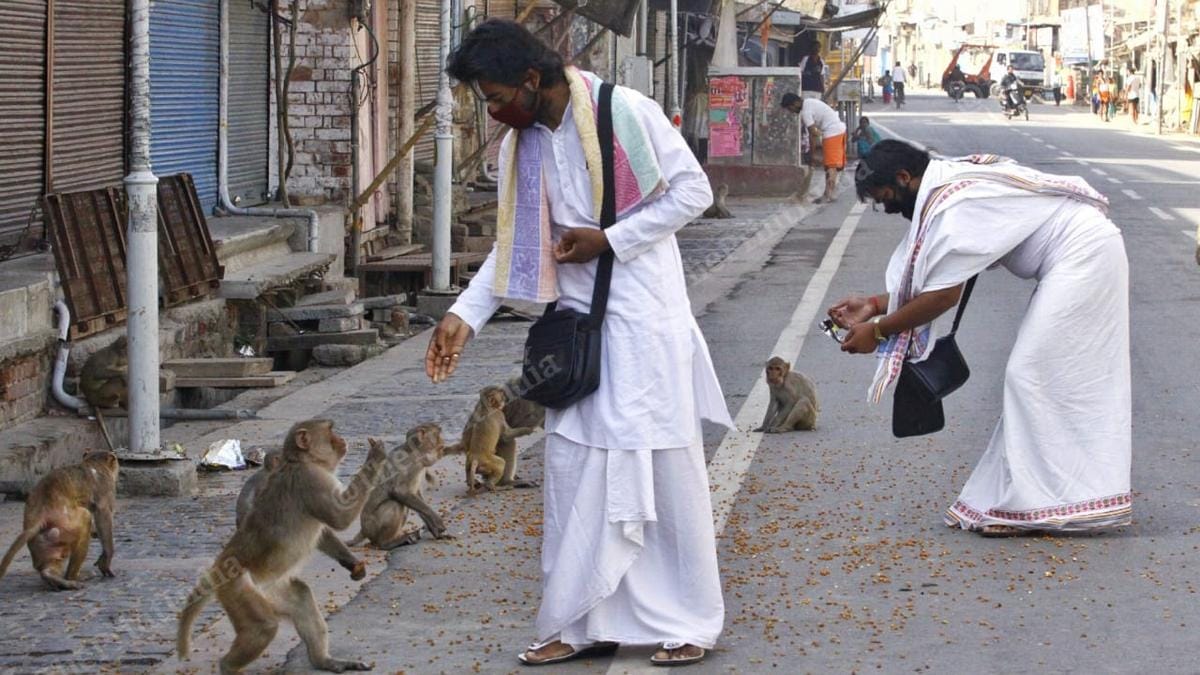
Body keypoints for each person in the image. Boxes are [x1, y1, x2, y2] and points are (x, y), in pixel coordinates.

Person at [431, 19, 733, 668]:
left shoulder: (623, 111)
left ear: (532, 81)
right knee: (570, 474)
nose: (491, 112)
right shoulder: (525, 144)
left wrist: (610, 239)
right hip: (574, 337)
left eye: (494, 97)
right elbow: (517, 243)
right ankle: (577, 619)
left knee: (667, 474)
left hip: (646, 325)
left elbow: (694, 191)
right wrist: (465, 313)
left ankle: (690, 619)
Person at [829, 140, 1132, 537]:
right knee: (1043, 380)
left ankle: (1046, 501)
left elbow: (942, 295)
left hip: (1084, 257)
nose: (885, 208)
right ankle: (1051, 496)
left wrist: (880, 330)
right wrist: (874, 304)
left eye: (884, 198)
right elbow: (946, 276)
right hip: (1075, 259)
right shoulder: (946, 188)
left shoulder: (953, 206)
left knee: (1028, 375)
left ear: (904, 178)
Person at [782, 92, 846, 204]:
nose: (791, 111)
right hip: (839, 130)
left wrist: (813, 153)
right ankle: (828, 193)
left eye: (790, 108)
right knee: (832, 165)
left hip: (832, 132)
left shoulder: (805, 112)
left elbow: (813, 134)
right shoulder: (809, 102)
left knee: (831, 166)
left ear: (795, 102)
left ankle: (829, 194)